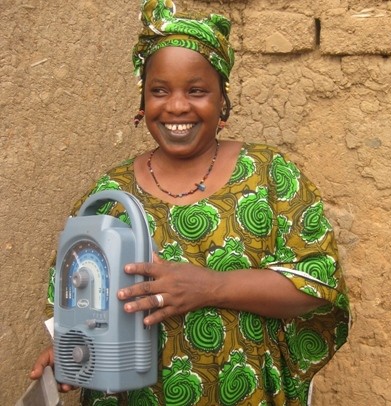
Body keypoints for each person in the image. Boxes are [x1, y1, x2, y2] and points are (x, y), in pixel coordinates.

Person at [30, 0, 350, 405]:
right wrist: (71, 356)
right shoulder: (108, 197)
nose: (177, 106)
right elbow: (75, 305)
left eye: (196, 91)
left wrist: (211, 287)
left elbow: (318, 285)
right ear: (142, 101)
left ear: (223, 100)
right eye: (159, 91)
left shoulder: (271, 176)